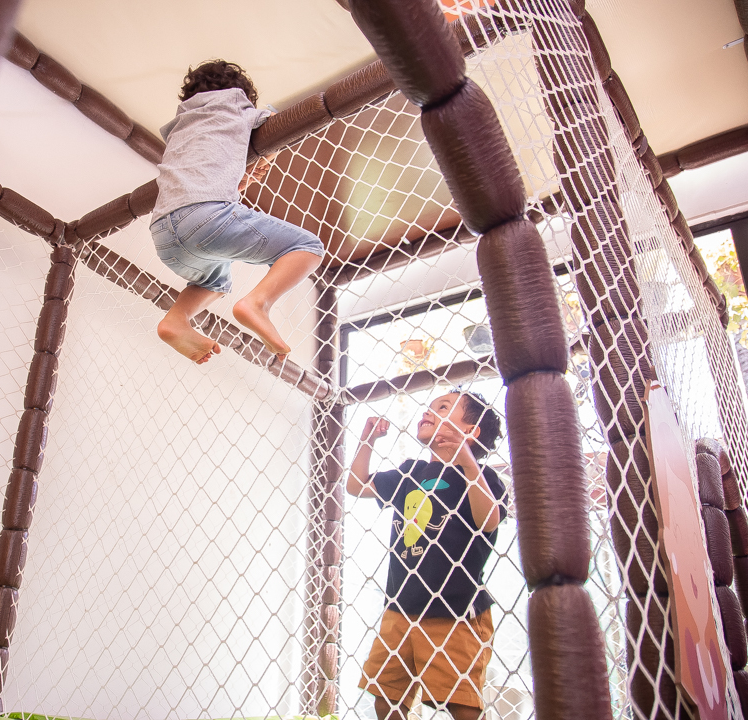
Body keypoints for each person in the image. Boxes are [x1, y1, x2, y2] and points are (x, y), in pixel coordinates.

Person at [150, 60, 325, 365]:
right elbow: (276, 122)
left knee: (215, 282)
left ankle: (177, 319)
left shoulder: (180, 128)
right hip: (206, 216)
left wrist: (243, 174)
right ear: (242, 95)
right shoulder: (236, 104)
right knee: (308, 247)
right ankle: (258, 303)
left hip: (163, 235)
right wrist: (265, 158)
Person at [347, 390, 508, 720]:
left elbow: (488, 520)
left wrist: (466, 460)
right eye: (430, 406)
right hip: (400, 606)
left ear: (470, 431)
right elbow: (356, 485)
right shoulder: (411, 472)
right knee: (386, 697)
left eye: (443, 407)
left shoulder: (482, 477)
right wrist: (367, 440)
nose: (428, 412)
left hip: (455, 611)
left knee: (461, 703)